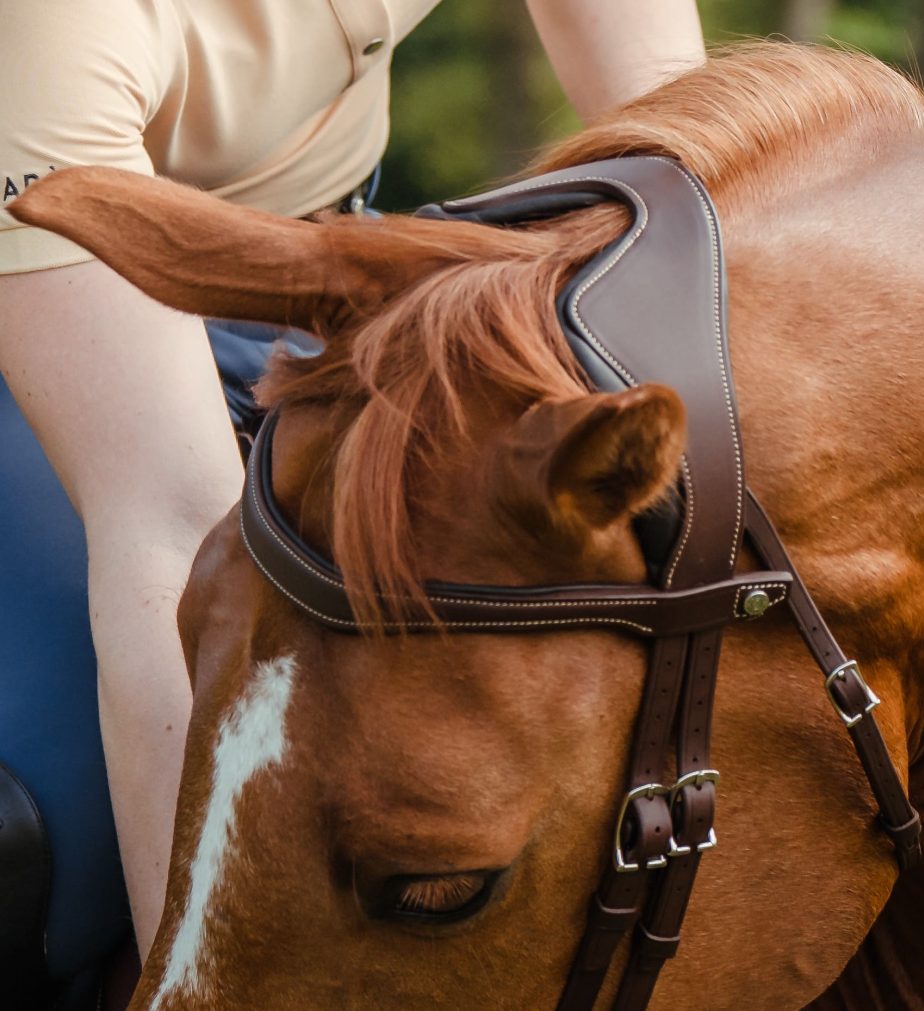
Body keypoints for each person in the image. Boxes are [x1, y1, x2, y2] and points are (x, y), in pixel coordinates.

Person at [0, 0, 706, 966]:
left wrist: (691, 225)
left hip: (315, 245)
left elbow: (669, 141)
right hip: (45, 284)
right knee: (57, 835)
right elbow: (172, 521)